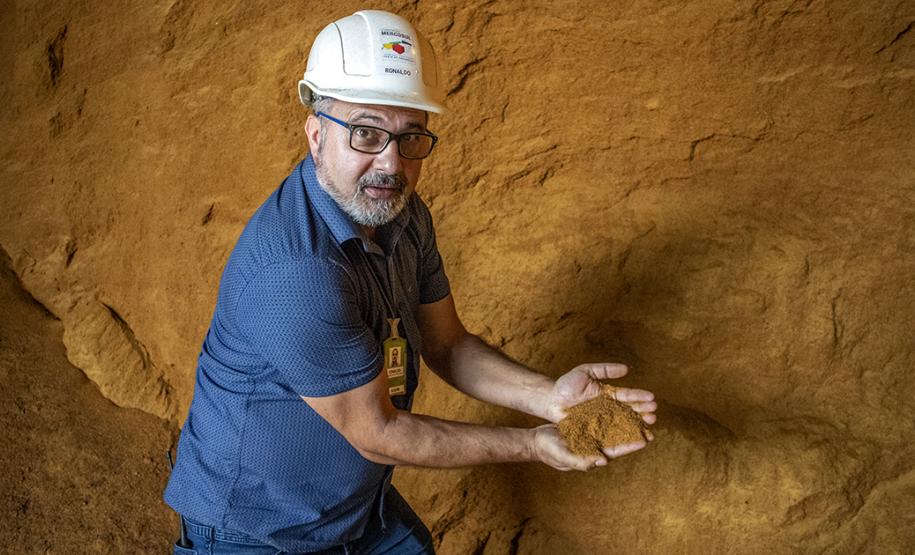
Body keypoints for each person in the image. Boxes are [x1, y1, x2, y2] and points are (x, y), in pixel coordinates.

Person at [163, 9, 657, 555]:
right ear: (316, 134)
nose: (391, 163)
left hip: (354, 509)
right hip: (258, 531)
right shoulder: (296, 271)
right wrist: (534, 445)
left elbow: (448, 344)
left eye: (409, 137)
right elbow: (378, 433)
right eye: (366, 133)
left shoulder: (402, 214)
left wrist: (551, 399)